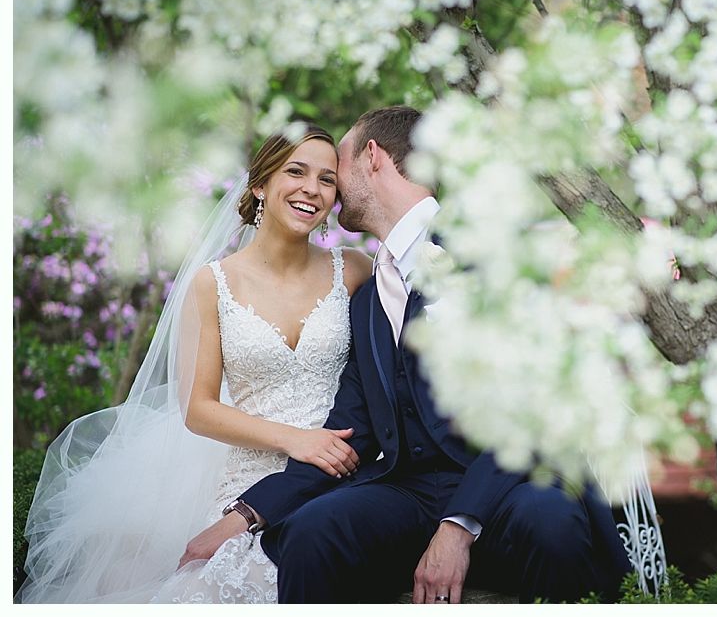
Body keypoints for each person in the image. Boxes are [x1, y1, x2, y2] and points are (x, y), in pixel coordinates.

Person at [181, 106, 633, 604]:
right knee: (313, 531)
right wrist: (248, 513)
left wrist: (458, 528)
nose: (323, 189)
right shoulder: (370, 293)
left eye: (335, 171)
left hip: (508, 483)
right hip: (412, 488)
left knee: (550, 518)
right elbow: (351, 426)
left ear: (371, 157)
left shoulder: (489, 248)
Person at [17, 123, 372, 603]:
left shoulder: (353, 270)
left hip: (338, 470)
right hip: (250, 475)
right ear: (260, 184)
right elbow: (199, 409)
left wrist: (321, 446)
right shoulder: (213, 284)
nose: (312, 188)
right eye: (296, 171)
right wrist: (295, 440)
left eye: (327, 179)